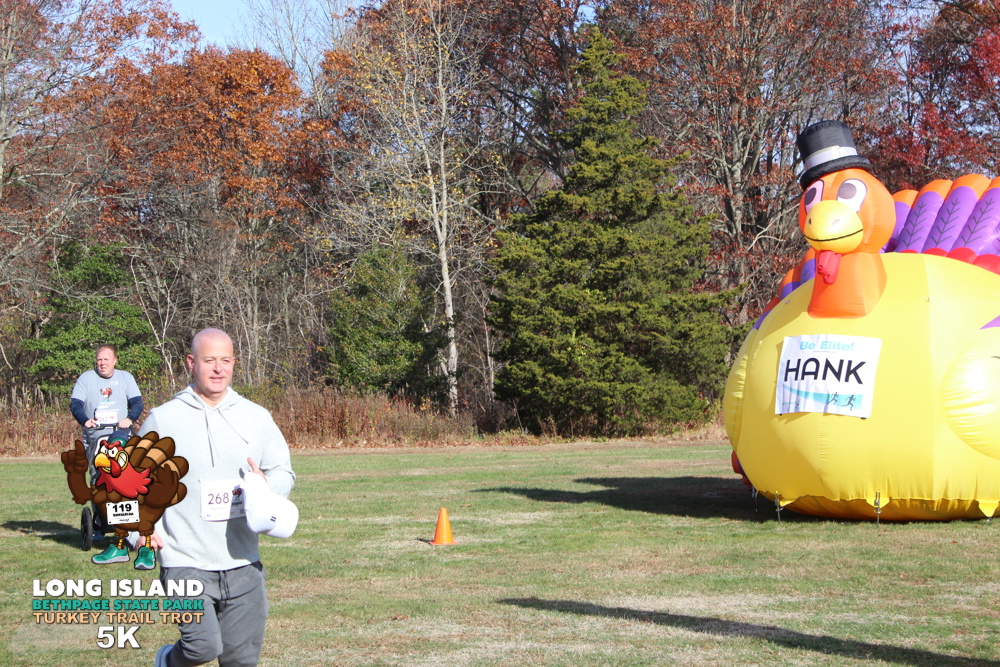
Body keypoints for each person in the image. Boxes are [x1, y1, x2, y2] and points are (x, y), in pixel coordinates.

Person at [146, 328, 295, 667]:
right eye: (209, 360)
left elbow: (283, 471)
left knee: (241, 661)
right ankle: (168, 660)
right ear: (191, 363)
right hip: (184, 558)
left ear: (234, 363)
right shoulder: (163, 419)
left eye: (225, 360)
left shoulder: (256, 417)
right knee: (201, 647)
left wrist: (264, 489)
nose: (218, 369)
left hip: (243, 561)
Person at [70, 344, 144, 488]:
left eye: (106, 359)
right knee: (99, 479)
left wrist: (129, 419)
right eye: (99, 360)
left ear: (115, 360)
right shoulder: (86, 378)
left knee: (126, 477)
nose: (102, 363)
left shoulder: (126, 377)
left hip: (121, 437)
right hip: (95, 439)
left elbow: (137, 404)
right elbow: (75, 404)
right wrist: (85, 421)